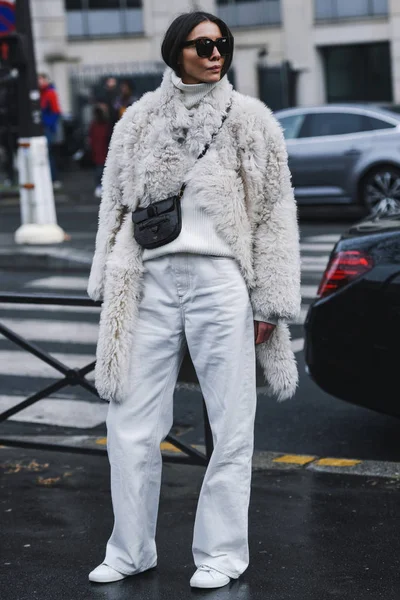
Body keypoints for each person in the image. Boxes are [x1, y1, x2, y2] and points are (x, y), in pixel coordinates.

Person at [87, 10, 301, 590]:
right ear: (174, 50)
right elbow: (117, 205)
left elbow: (275, 215)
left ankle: (222, 553)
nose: (215, 53)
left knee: (232, 422)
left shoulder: (252, 119)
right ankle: (130, 549)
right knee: (129, 420)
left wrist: (269, 303)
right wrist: (105, 281)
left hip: (221, 281)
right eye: (202, 43)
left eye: (223, 43)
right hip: (148, 279)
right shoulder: (137, 121)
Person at [38, 73, 62, 189]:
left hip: (47, 128)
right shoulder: (42, 93)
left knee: (48, 154)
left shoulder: (49, 93)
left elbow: (56, 112)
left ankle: (54, 178)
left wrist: (47, 123)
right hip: (45, 127)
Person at [88, 104, 111, 198]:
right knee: (104, 171)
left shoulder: (94, 125)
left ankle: (99, 186)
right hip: (104, 152)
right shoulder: (106, 125)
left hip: (97, 152)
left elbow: (91, 139)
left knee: (98, 171)